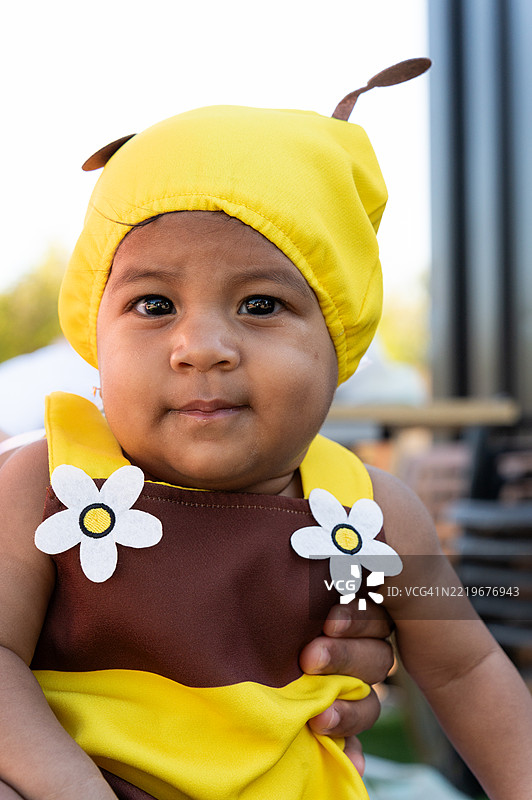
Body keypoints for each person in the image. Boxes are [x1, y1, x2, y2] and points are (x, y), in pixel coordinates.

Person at [1, 60, 531, 800]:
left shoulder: (374, 515)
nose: (201, 346)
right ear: (95, 335)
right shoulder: (43, 487)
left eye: (259, 305)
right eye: (154, 305)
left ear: (339, 340)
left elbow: (466, 667)